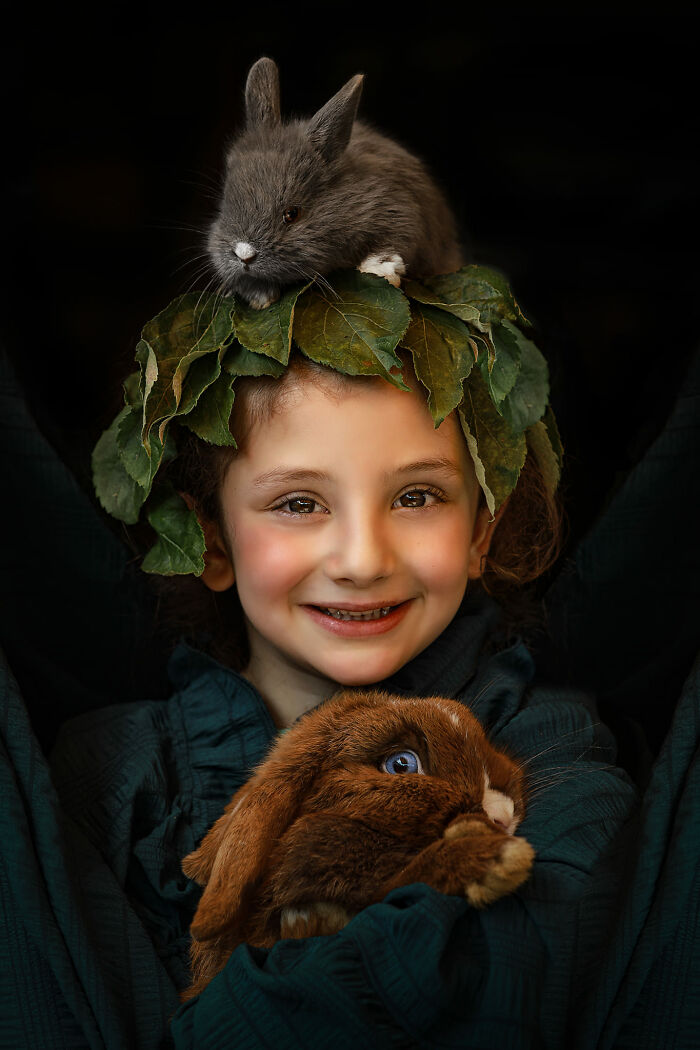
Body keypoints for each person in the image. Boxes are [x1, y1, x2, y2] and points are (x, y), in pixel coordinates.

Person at [1, 272, 699, 1049]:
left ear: (481, 533)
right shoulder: (115, 772)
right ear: (210, 540)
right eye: (299, 503)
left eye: (417, 497)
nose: (363, 560)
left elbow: (512, 975)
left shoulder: (551, 752)